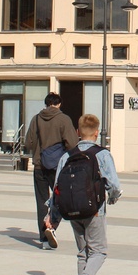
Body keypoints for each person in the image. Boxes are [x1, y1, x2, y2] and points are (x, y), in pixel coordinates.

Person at [45, 113, 121, 275]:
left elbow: (57, 188)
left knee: (82, 251)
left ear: (78, 132)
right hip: (94, 210)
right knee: (99, 250)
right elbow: (113, 185)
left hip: (71, 209)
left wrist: (53, 218)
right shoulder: (102, 154)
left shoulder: (66, 156)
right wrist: (112, 198)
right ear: (97, 133)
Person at [22, 92, 78, 250]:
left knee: (41, 201)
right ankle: (51, 227)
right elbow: (72, 144)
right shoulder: (64, 119)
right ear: (59, 104)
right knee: (61, 198)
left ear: (46, 103)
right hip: (58, 167)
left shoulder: (36, 118)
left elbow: (28, 142)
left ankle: (44, 239)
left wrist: (40, 151)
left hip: (39, 166)